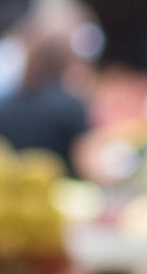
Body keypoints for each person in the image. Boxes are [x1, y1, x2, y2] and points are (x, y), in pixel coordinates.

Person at [0, 23, 90, 173]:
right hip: (62, 191)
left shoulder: (5, 107)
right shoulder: (70, 106)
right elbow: (84, 160)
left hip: (13, 192)